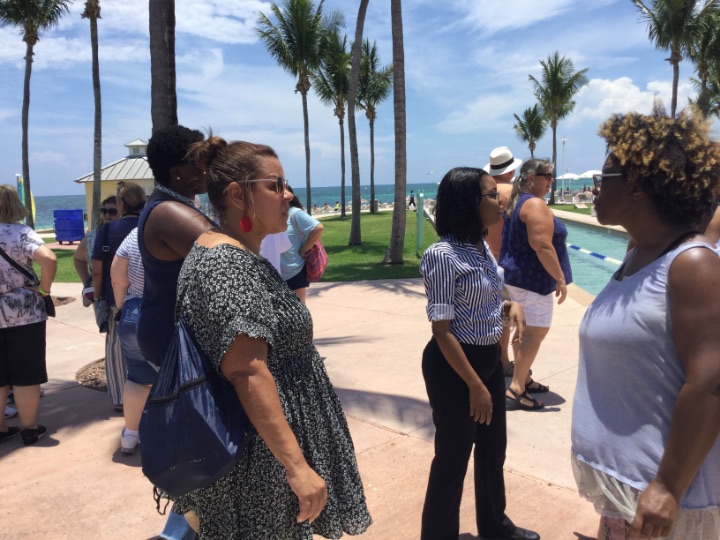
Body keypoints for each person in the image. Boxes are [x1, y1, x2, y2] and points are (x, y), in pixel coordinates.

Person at [167, 136, 372, 539]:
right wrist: (296, 467)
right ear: (237, 195)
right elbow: (247, 370)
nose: (288, 195)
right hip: (258, 466)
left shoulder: (234, 255)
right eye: (275, 185)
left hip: (264, 455)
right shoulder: (227, 263)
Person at [572, 111, 720, 540]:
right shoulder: (640, 256)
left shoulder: (691, 264)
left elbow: (711, 381)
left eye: (606, 175)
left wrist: (668, 487)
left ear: (636, 183)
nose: (597, 187)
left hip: (665, 502)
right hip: (626, 492)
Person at [419, 167, 536, 540]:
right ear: (468, 203)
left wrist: (509, 304)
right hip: (455, 366)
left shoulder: (480, 245)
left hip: (486, 359)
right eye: (491, 195)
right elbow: (442, 330)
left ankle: (494, 526)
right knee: (453, 460)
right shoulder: (442, 255)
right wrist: (475, 385)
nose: (501, 200)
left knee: (492, 451)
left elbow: (489, 294)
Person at [139, 124, 216, 540]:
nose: (206, 167)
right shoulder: (171, 213)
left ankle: (183, 531)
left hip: (171, 332)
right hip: (174, 339)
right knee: (204, 441)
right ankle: (179, 534)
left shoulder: (174, 202)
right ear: (177, 171)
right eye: (198, 160)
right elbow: (229, 258)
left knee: (201, 438)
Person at [499, 159, 572, 411]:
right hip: (532, 282)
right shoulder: (534, 204)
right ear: (531, 178)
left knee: (522, 331)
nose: (551, 180)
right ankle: (517, 389)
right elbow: (541, 245)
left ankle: (523, 378)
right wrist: (560, 278)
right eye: (548, 176)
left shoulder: (518, 201)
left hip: (516, 280)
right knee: (535, 333)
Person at [0, 185, 57, 446]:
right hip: (25, 314)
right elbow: (49, 259)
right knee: (26, 372)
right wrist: (44, 290)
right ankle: (29, 428)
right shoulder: (22, 233)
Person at [92, 182, 146, 413]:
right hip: (150, 300)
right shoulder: (151, 226)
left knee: (116, 351)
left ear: (121, 204)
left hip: (117, 301)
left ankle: (121, 399)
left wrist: (97, 298)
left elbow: (97, 270)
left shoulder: (106, 231)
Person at [110, 228, 154, 454]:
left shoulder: (136, 233)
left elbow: (117, 275)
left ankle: (130, 435)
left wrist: (120, 307)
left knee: (137, 377)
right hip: (168, 313)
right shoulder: (187, 228)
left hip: (134, 311)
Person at [483, 146, 523, 378]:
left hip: (486, 258)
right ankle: (504, 361)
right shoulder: (514, 193)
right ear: (511, 169)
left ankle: (497, 358)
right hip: (508, 262)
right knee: (508, 316)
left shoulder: (486, 192)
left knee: (492, 314)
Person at [280, 186, 324, 304]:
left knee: (298, 310)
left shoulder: (294, 213)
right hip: (274, 272)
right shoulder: (271, 216)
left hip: (294, 270)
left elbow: (318, 228)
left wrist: (304, 249)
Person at [73, 195, 119, 306]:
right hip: (100, 297)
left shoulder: (129, 235)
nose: (107, 215)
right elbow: (78, 259)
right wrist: (87, 283)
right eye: (104, 211)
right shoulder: (91, 236)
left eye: (112, 211)